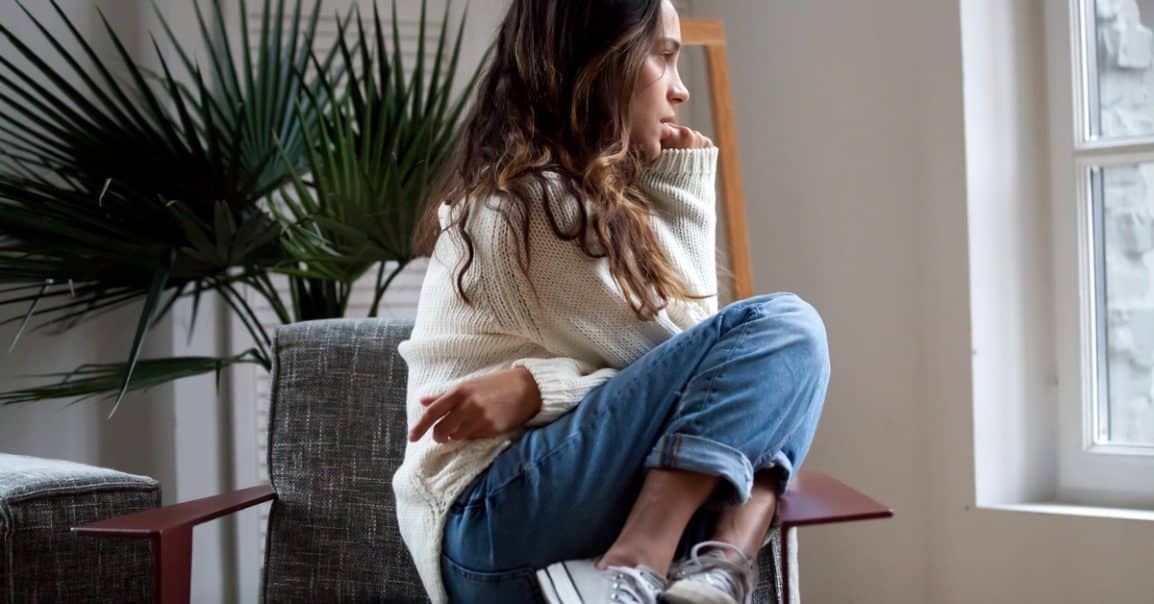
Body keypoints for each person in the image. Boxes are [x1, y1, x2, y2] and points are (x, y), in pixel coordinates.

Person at [393, 1, 830, 602]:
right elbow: (699, 362)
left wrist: (534, 390)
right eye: (665, 58)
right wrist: (685, 184)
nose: (679, 92)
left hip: (519, 526)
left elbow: (700, 381)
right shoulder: (532, 209)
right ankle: (652, 556)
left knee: (771, 387)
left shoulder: (578, 201)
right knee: (788, 329)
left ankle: (717, 569)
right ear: (604, 64)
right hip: (490, 518)